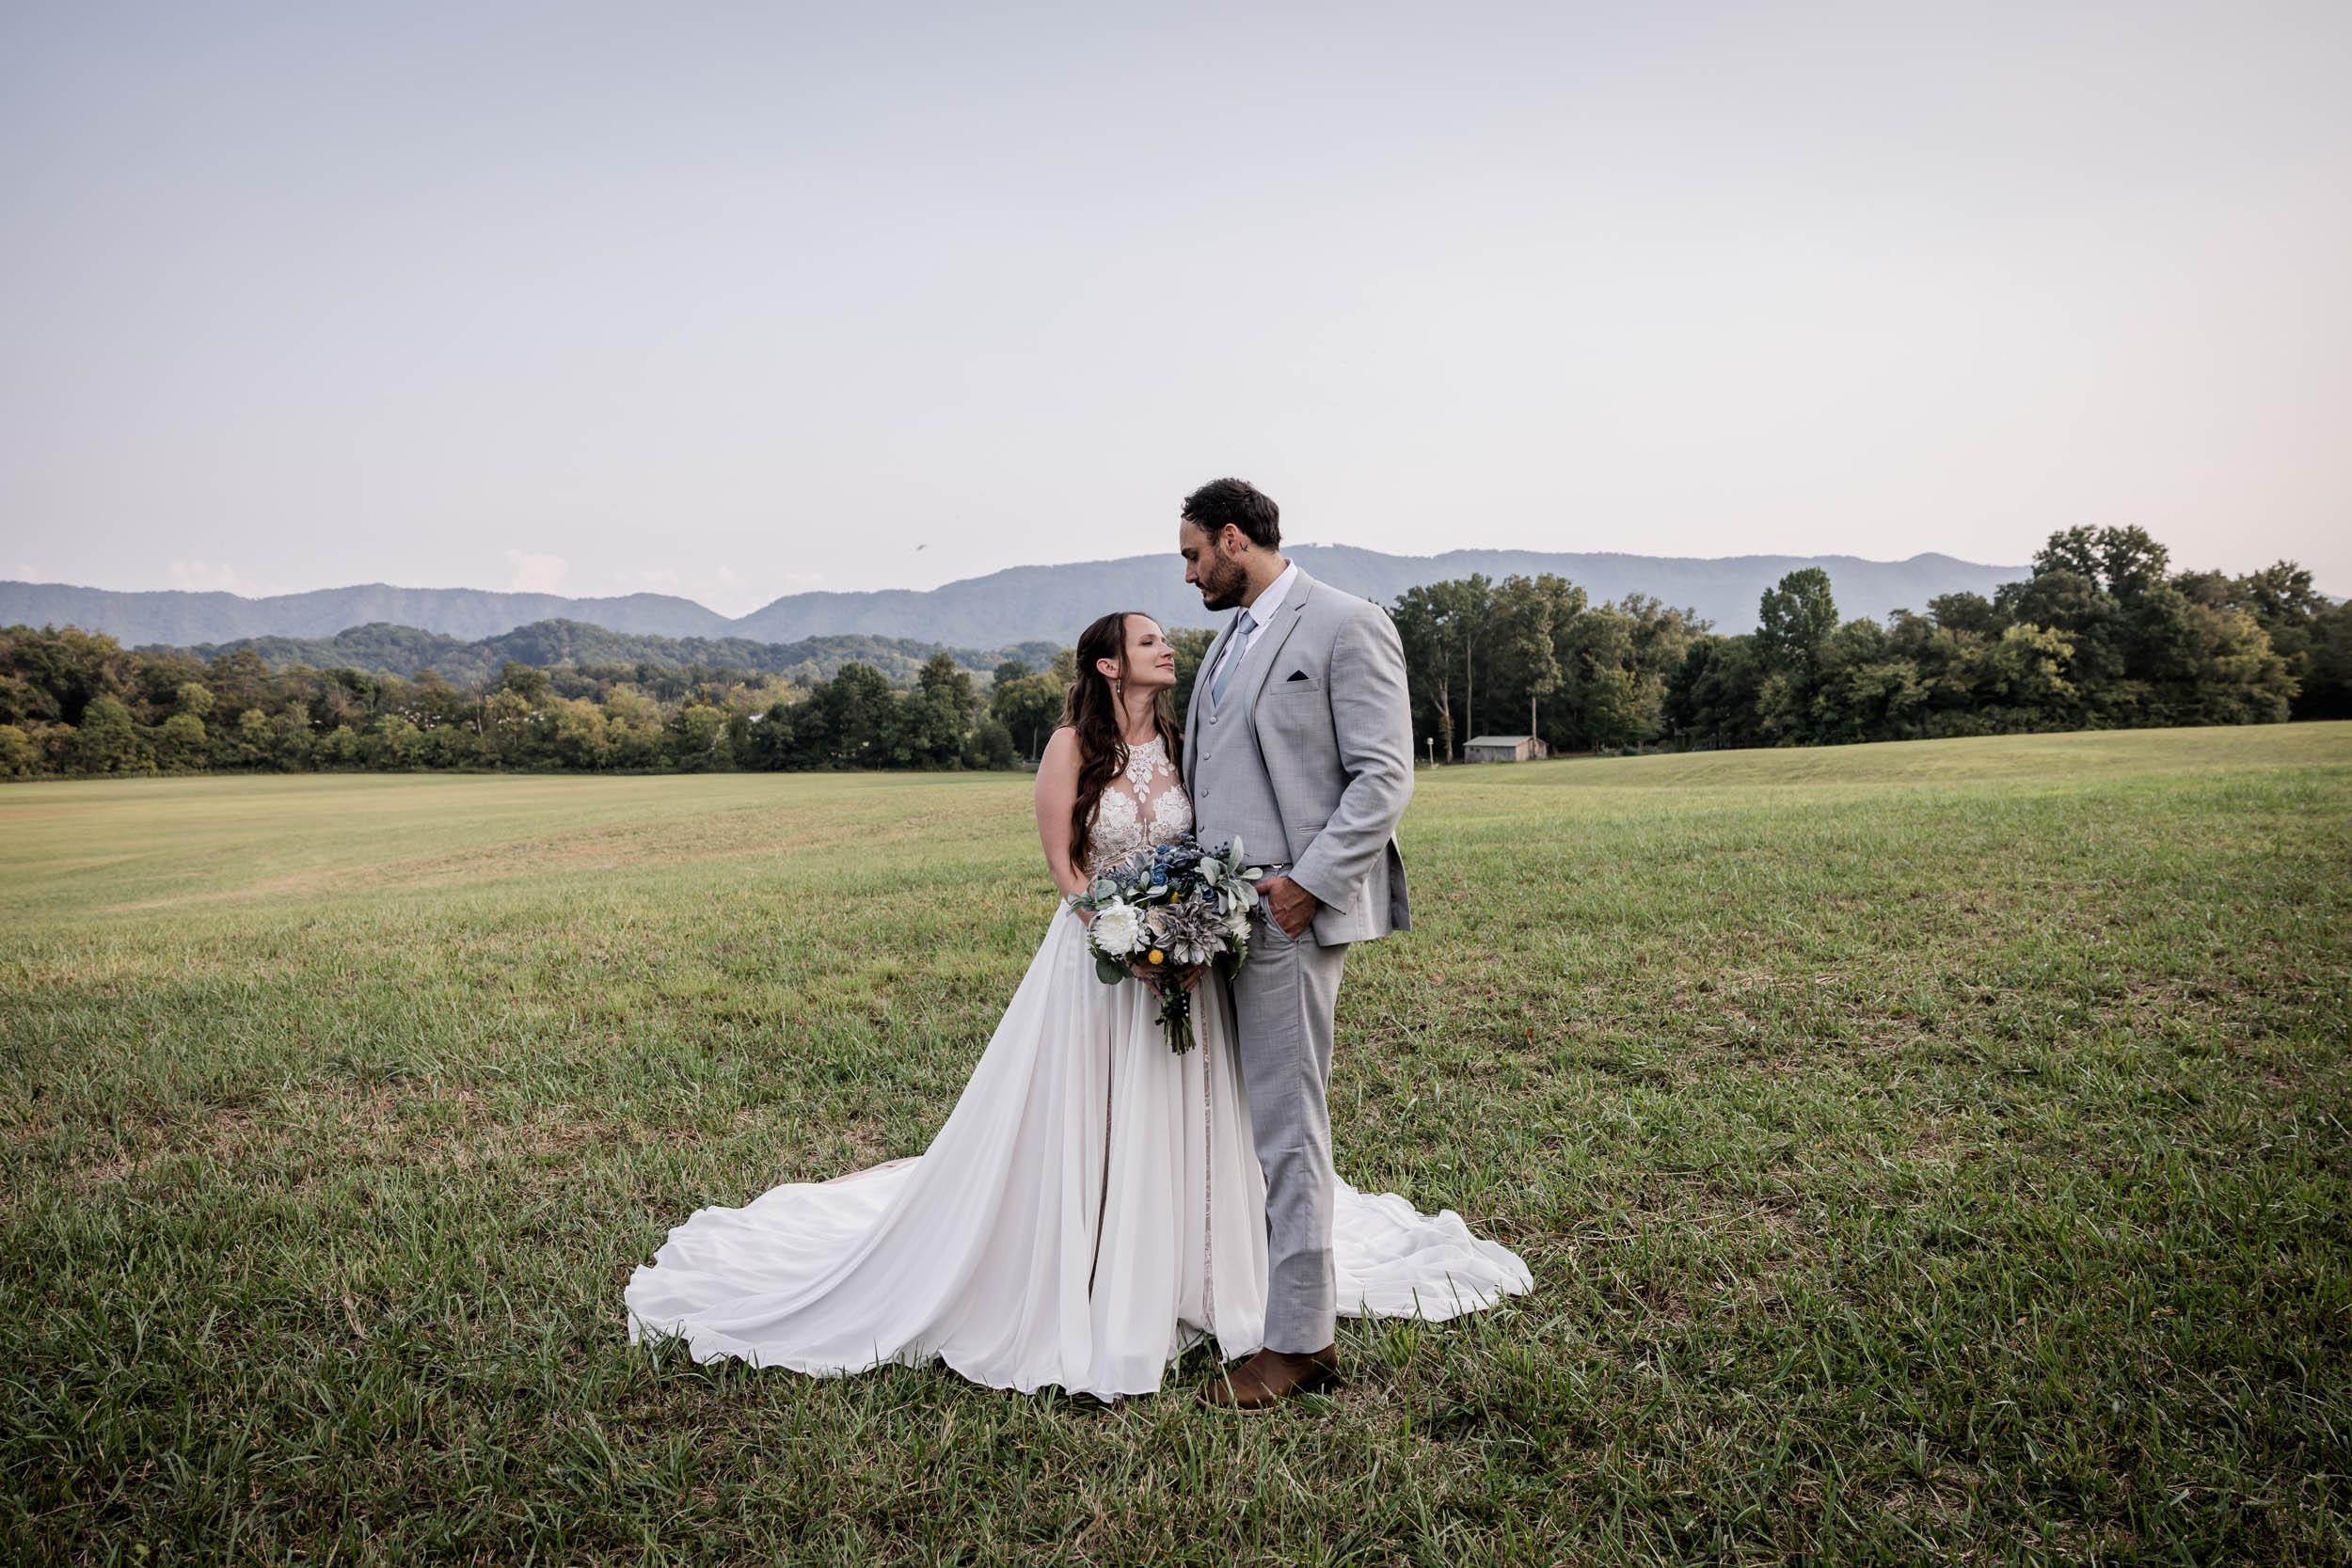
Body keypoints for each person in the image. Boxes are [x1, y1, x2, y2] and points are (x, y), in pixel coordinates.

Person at [625, 567, 1528, 1403]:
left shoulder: (1180, 740)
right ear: (1108, 664)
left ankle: (1183, 1267)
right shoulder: (1070, 746)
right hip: (1100, 961)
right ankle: (1088, 1262)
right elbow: (1063, 865)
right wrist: (1120, 931)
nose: (1168, 643)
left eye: (1166, 630)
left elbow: (1208, 837)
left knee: (1181, 1113)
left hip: (1186, 958)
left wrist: (1188, 928)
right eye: (1148, 640)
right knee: (1091, 1113)